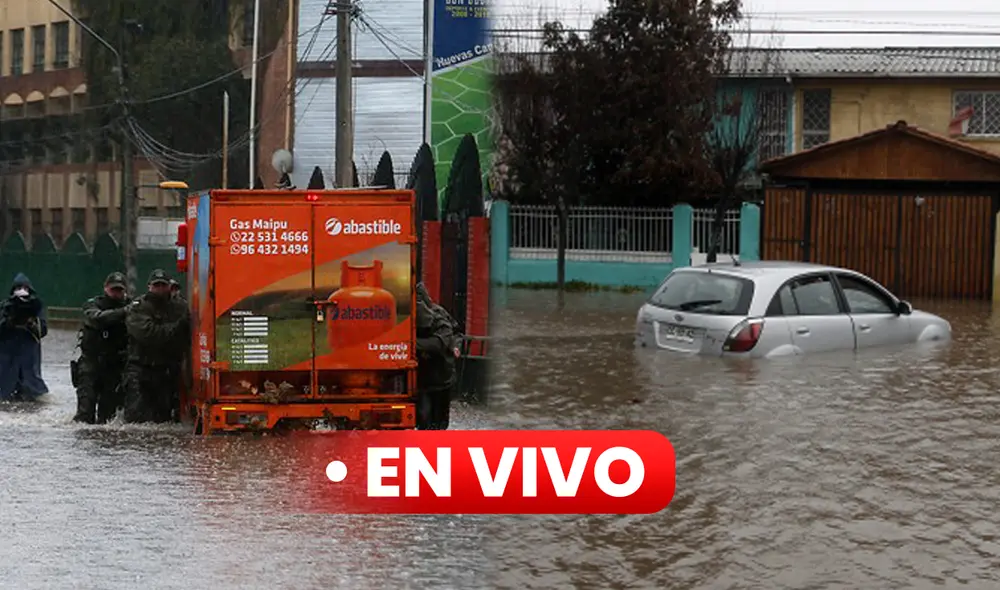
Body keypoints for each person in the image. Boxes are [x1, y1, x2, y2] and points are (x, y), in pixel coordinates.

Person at [123, 269, 190, 423]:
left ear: (169, 286)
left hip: (166, 371)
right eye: (156, 285)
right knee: (136, 419)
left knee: (163, 419)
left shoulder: (179, 306)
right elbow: (149, 335)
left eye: (163, 285)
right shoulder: (139, 307)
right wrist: (177, 327)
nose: (160, 289)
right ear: (149, 286)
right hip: (141, 369)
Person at [72, 272, 131, 424]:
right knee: (85, 413)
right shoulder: (93, 304)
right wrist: (123, 312)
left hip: (114, 366)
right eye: (113, 289)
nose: (116, 293)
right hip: (91, 362)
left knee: (107, 418)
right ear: (105, 288)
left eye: (119, 290)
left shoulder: (131, 307)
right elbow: (97, 318)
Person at [414, 283, 460, 429]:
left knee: (439, 421)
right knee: (424, 419)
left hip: (441, 377)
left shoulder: (439, 316)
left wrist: (409, 343)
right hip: (422, 379)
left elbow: (442, 341)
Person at [0, 273, 48, 401]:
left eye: (25, 288)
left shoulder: (36, 307)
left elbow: (42, 330)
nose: (22, 291)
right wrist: (9, 321)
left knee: (33, 393)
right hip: (8, 358)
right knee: (6, 393)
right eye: (18, 288)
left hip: (28, 356)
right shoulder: (5, 307)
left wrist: (31, 323)